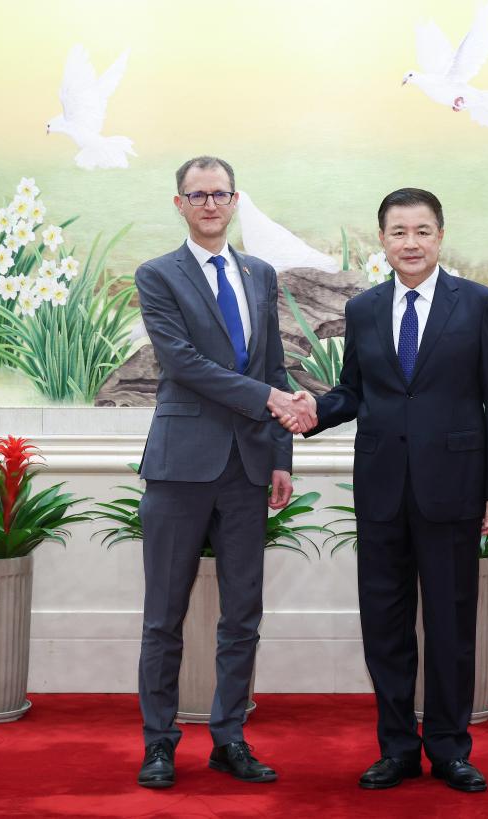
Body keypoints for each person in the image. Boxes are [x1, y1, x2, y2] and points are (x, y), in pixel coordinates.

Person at [279, 188, 488, 793]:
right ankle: (396, 750)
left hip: (454, 488)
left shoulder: (478, 303)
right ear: (382, 240)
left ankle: (450, 749)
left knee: (450, 625)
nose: (410, 243)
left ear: (440, 236)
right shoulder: (363, 309)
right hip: (382, 489)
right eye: (398, 232)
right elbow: (354, 391)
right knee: (384, 626)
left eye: (422, 231)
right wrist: (315, 410)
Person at [133, 156, 315, 789]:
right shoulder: (158, 274)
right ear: (179, 203)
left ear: (235, 201)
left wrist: (281, 456)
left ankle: (230, 739)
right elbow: (182, 363)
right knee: (164, 616)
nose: (210, 204)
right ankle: (159, 745)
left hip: (247, 469)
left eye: (220, 193)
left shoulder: (259, 274)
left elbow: (273, 365)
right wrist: (269, 400)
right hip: (180, 468)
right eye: (197, 195)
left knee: (243, 615)